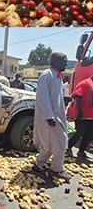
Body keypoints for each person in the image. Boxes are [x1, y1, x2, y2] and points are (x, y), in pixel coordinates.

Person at [33, 52, 72, 180]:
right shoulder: (47, 75)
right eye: (64, 60)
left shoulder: (58, 77)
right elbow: (43, 97)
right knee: (61, 142)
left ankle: (39, 165)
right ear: (55, 61)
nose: (66, 63)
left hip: (57, 116)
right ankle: (56, 169)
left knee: (49, 144)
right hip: (50, 118)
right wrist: (49, 117)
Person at [68, 75, 93, 162]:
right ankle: (68, 146)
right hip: (83, 115)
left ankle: (81, 151)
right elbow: (77, 97)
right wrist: (79, 111)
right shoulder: (85, 83)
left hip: (91, 116)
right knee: (79, 132)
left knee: (89, 135)